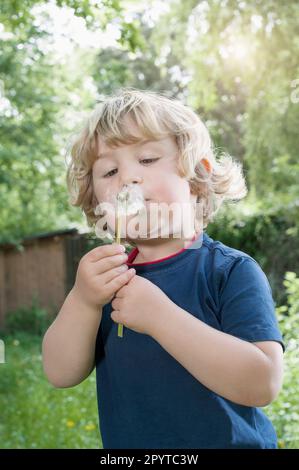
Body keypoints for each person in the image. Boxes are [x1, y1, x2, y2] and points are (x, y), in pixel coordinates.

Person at [42, 88, 284, 449]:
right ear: (97, 205)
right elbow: (60, 373)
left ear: (197, 181)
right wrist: (84, 300)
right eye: (109, 170)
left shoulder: (230, 271)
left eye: (148, 159)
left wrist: (160, 317)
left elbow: (261, 383)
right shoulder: (104, 281)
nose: (127, 178)